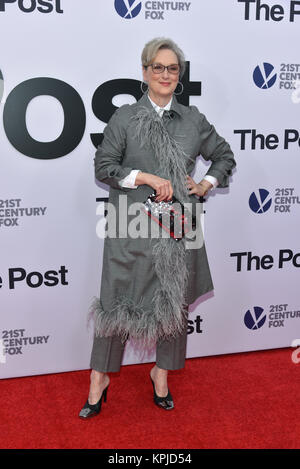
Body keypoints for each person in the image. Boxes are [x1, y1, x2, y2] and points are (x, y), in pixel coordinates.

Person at [79, 37, 236, 418]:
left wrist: (206, 184)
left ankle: (161, 373)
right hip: (130, 225)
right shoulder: (125, 118)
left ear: (178, 76)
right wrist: (146, 176)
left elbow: (224, 156)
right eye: (158, 67)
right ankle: (99, 378)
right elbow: (104, 168)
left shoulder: (193, 120)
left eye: (172, 69)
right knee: (116, 301)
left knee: (173, 303)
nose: (165, 74)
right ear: (145, 71)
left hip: (178, 227)